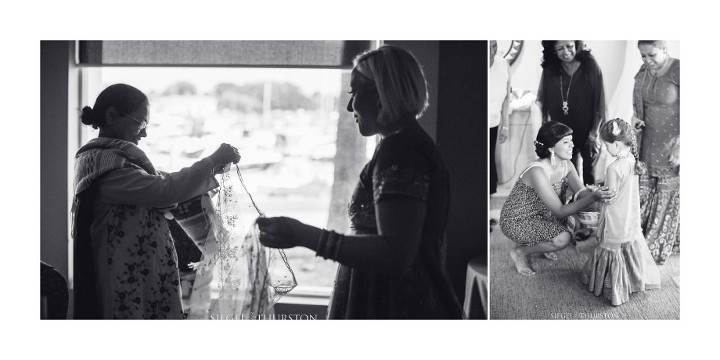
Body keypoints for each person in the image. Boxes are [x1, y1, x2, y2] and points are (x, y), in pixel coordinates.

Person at [256, 45, 463, 319]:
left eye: (354, 92)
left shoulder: (400, 151)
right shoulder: (405, 144)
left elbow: (396, 253)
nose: (350, 105)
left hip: (394, 305)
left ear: (382, 92)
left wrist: (303, 235)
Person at [71, 83, 240, 319]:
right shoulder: (105, 166)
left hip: (137, 273)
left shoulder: (114, 161)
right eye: (140, 123)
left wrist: (210, 170)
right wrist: (211, 161)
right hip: (122, 278)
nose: (144, 133)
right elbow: (164, 190)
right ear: (112, 116)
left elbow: (163, 183)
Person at [499, 121, 614, 276]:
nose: (572, 145)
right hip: (518, 219)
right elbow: (560, 211)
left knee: (580, 216)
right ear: (551, 148)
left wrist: (597, 190)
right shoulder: (537, 171)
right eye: (566, 142)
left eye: (571, 141)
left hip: (545, 214)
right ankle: (520, 252)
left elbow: (580, 193)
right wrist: (593, 196)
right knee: (563, 238)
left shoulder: (567, 165)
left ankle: (542, 242)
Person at [581, 119, 661, 305]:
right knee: (627, 247)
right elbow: (620, 187)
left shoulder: (613, 167)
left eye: (606, 145)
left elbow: (609, 197)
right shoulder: (631, 160)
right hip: (630, 216)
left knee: (611, 250)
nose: (605, 149)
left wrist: (594, 190)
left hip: (615, 218)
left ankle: (615, 290)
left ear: (616, 144)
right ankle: (634, 280)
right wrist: (605, 183)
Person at [632, 40, 680, 265]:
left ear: (665, 50)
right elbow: (638, 105)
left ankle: (658, 244)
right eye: (643, 56)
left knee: (666, 193)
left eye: (652, 55)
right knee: (644, 190)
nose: (647, 61)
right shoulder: (643, 72)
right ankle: (637, 239)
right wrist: (635, 119)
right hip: (646, 141)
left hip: (671, 144)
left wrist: (682, 146)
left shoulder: (679, 70)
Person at [537, 40, 606, 185]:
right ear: (553, 50)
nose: (566, 52)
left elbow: (600, 100)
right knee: (567, 175)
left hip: (588, 131)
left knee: (590, 175)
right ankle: (573, 205)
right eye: (560, 48)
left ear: (576, 44)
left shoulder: (590, 64)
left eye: (569, 46)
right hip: (561, 133)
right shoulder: (550, 68)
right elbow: (543, 101)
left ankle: (590, 206)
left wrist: (594, 132)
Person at [489, 40, 511, 195]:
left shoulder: (503, 64)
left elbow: (506, 99)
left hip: (493, 122)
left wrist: (505, 125)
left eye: (494, 46)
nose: (491, 51)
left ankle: (488, 208)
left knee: (490, 160)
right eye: (487, 46)